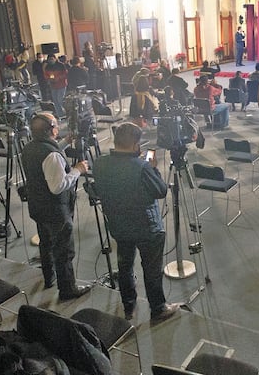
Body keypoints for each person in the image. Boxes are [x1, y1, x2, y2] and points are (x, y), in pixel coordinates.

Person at [92, 122, 180, 322]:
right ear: (135, 145)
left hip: (118, 225)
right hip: (147, 227)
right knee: (151, 269)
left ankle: (128, 305)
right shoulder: (142, 167)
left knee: (125, 266)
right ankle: (158, 308)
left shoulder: (100, 163)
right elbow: (160, 191)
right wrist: (153, 169)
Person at [20, 112, 92, 300]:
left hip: (38, 206)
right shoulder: (51, 155)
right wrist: (77, 170)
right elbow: (57, 186)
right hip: (55, 211)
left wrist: (65, 143)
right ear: (51, 129)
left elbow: (48, 159)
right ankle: (67, 289)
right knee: (64, 250)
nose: (59, 127)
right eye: (56, 125)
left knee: (46, 243)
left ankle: (49, 277)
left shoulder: (30, 148)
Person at [44, 53, 68, 118]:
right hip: (53, 86)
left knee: (60, 99)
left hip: (61, 85)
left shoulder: (61, 65)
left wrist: (58, 78)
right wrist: (49, 79)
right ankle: (59, 114)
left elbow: (65, 74)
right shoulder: (47, 67)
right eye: (49, 59)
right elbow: (46, 75)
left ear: (55, 59)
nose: (51, 60)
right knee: (55, 100)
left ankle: (65, 112)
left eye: (52, 59)